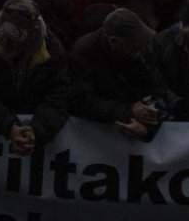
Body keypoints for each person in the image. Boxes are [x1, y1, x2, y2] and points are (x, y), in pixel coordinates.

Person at [0, 0, 72, 153]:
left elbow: (60, 96)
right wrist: (8, 126)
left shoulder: (52, 50)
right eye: (2, 36)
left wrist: (37, 129)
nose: (6, 44)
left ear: (33, 34)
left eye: (14, 38)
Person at [69, 8, 165, 140]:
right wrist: (128, 112)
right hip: (95, 134)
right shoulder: (85, 53)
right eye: (134, 43)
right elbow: (80, 101)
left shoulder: (140, 52)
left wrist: (147, 129)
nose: (139, 49)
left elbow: (156, 89)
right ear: (114, 40)